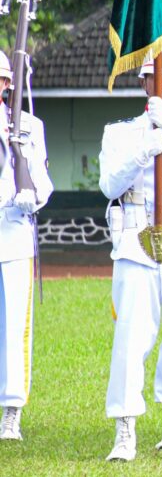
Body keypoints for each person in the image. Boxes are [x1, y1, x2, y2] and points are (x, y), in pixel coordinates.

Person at [100, 43, 162, 461]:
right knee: (131, 337)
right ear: (145, 82)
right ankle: (125, 429)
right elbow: (109, 185)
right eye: (157, 78)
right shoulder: (120, 131)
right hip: (136, 240)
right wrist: (145, 148)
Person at [0, 50, 53, 441]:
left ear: (6, 84)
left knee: (14, 325)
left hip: (12, 234)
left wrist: (30, 196)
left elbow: (43, 182)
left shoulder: (29, 126)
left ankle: (11, 410)